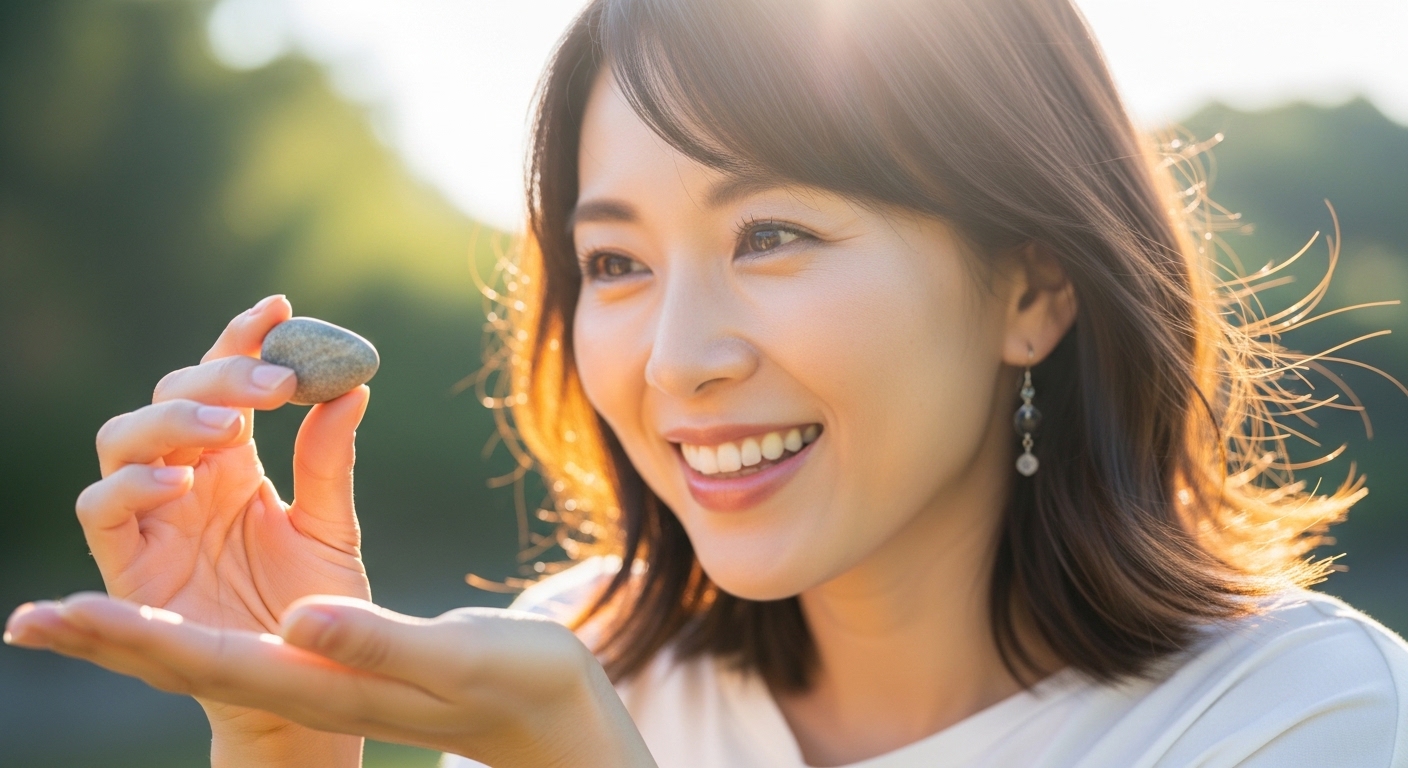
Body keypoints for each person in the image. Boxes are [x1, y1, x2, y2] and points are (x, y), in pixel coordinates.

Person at [6, 0, 1408, 765]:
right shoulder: (580, 657)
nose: (675, 358)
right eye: (613, 263)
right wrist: (280, 731)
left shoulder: (1300, 721)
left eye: (775, 235)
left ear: (1032, 289)